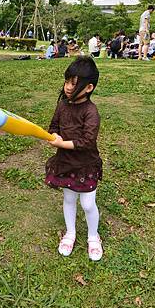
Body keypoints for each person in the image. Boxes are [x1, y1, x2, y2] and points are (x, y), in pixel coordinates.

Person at [45, 56, 103, 261]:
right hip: (66, 163)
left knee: (87, 204)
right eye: (67, 81)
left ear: (88, 88)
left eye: (73, 83)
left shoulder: (91, 111)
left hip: (86, 164)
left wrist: (61, 144)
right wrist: (55, 136)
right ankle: (70, 233)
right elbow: (53, 126)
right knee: (69, 198)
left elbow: (86, 141)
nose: (68, 87)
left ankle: (93, 236)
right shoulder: (62, 105)